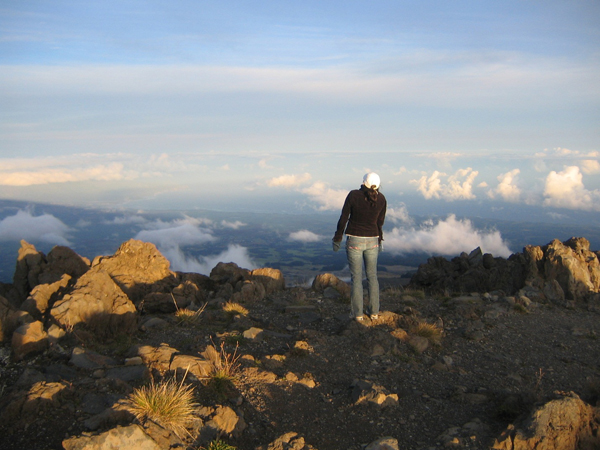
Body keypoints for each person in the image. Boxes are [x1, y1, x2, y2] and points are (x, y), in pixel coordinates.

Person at [332, 172, 387, 322]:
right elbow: (379, 223)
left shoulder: (353, 195)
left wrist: (338, 238)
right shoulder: (381, 199)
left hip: (354, 240)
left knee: (356, 278)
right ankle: (374, 312)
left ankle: (357, 315)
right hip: (373, 240)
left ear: (364, 182)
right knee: (372, 277)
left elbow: (344, 217)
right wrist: (380, 239)